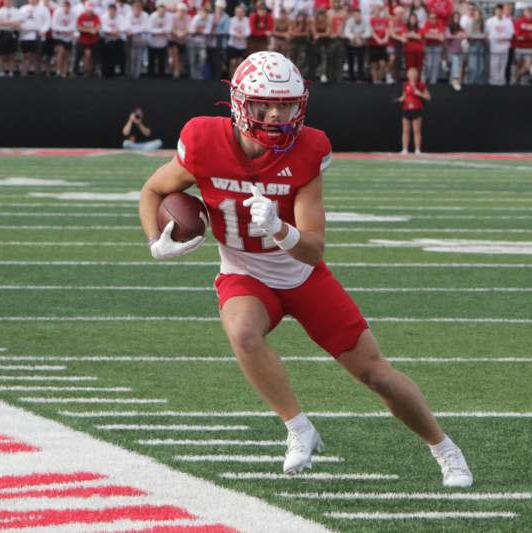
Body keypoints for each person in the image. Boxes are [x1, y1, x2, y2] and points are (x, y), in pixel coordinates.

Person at [137, 51, 472, 488]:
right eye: (265, 105)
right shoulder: (202, 140)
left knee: (376, 374)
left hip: (301, 276)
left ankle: (445, 449)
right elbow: (152, 190)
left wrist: (279, 228)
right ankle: (299, 429)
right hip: (244, 272)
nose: (276, 115)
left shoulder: (308, 148)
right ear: (241, 102)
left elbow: (313, 250)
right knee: (242, 332)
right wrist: (154, 241)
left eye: (286, 105)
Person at [397, 65, 428, 154]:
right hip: (406, 109)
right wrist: (401, 99)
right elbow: (404, 95)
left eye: (414, 73)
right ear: (408, 75)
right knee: (405, 130)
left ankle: (417, 149)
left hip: (417, 109)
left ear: (417, 75)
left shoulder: (421, 85)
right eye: (410, 73)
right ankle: (405, 149)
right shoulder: (405, 84)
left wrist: (419, 93)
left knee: (416, 130)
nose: (412, 75)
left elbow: (428, 97)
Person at [484, 4, 512, 86]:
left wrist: (504, 38)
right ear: (495, 11)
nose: (499, 12)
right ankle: (493, 81)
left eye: (500, 10)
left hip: (504, 47)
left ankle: (501, 81)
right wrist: (494, 38)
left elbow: (511, 34)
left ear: (503, 11)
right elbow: (486, 33)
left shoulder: (508, 21)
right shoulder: (489, 21)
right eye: (497, 10)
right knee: (494, 65)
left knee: (503, 65)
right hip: (494, 47)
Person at [0, 0, 21, 77]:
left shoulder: (16, 11)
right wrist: (11, 23)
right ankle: (1, 72)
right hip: (2, 33)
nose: (8, 2)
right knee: (0, 54)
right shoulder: (0, 11)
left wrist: (5, 22)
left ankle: (11, 72)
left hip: (13, 33)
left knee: (12, 54)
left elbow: (18, 23)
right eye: (7, 1)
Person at [50, 0, 75, 77]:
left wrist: (65, 31)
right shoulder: (57, 13)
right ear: (63, 7)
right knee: (60, 52)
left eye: (68, 7)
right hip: (59, 37)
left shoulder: (73, 14)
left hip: (68, 38)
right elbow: (54, 26)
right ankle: (58, 70)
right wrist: (64, 31)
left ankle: (64, 72)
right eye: (65, 6)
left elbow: (73, 26)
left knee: (66, 55)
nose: (66, 8)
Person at [76, 0, 100, 76]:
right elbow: (78, 28)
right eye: (89, 10)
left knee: (93, 56)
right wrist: (90, 30)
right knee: (77, 56)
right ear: (86, 10)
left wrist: (87, 29)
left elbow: (98, 28)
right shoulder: (81, 16)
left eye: (91, 10)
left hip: (93, 41)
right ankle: (76, 71)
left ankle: (92, 71)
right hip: (82, 40)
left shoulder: (96, 16)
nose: (90, 12)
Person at [342, 6, 366, 81]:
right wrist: (354, 38)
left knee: (361, 62)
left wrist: (360, 37)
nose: (357, 17)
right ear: (353, 15)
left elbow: (368, 32)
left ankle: (360, 78)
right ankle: (351, 78)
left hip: (361, 44)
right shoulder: (349, 21)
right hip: (351, 45)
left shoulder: (364, 21)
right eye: (355, 15)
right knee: (351, 62)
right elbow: (346, 32)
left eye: (358, 15)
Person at [147, 3, 171, 77]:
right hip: (152, 42)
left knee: (162, 60)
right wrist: (161, 31)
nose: (162, 13)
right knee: (151, 60)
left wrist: (157, 31)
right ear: (157, 10)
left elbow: (169, 29)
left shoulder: (168, 17)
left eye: (163, 11)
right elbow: (149, 29)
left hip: (162, 43)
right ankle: (150, 75)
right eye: (160, 11)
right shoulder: (152, 17)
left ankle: (161, 75)